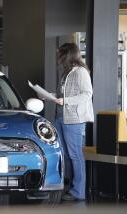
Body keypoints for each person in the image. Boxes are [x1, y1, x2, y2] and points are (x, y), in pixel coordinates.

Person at [54, 43, 94, 201]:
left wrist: (66, 101)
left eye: (60, 54)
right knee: (64, 154)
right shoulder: (66, 72)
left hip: (74, 120)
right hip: (60, 117)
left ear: (67, 55)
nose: (58, 57)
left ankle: (79, 191)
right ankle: (71, 186)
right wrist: (48, 95)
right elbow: (62, 95)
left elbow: (87, 94)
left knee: (75, 154)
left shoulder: (81, 72)